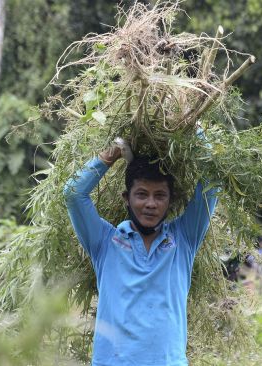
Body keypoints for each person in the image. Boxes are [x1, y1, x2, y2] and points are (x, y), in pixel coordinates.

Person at [63, 141, 218, 366]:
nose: (151, 204)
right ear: (127, 198)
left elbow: (212, 184)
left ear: (170, 201)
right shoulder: (105, 242)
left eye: (160, 196)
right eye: (142, 194)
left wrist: (194, 130)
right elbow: (74, 193)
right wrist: (113, 152)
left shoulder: (183, 238)